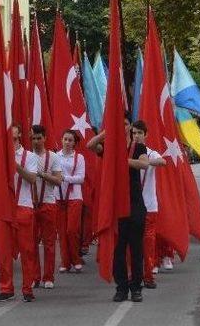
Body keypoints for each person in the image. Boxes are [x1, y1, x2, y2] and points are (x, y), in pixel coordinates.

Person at [87, 116, 149, 303]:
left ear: (130, 126)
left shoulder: (138, 146)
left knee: (136, 249)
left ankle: (136, 288)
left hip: (136, 204)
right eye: (118, 124)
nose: (121, 127)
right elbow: (90, 145)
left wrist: (122, 161)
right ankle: (121, 288)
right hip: (117, 207)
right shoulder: (110, 147)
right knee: (119, 250)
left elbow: (144, 164)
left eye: (124, 124)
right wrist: (106, 132)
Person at [0, 124, 39, 302]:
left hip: (23, 206)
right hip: (4, 208)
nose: (11, 140)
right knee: (3, 251)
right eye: (8, 138)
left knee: (27, 251)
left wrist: (15, 164)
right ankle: (6, 288)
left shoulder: (30, 156)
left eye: (13, 137)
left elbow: (32, 178)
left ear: (20, 135)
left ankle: (28, 288)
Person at [131, 121, 166, 289]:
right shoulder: (128, 152)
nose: (136, 136)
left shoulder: (151, 153)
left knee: (148, 243)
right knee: (132, 243)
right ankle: (134, 276)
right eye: (133, 133)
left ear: (146, 135)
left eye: (139, 133)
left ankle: (149, 276)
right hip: (133, 206)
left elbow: (162, 162)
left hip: (149, 206)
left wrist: (144, 162)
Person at [31, 125, 63, 289]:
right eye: (33, 138)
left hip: (48, 203)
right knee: (31, 242)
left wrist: (42, 174)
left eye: (39, 138)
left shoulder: (53, 157)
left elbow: (58, 180)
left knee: (49, 242)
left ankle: (48, 277)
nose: (36, 141)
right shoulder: (27, 156)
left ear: (44, 138)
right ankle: (35, 276)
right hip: (30, 204)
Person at [55, 130, 86, 274]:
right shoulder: (55, 156)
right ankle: (65, 262)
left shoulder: (79, 158)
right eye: (65, 139)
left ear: (74, 143)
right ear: (61, 140)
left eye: (70, 140)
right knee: (62, 231)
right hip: (58, 197)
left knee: (72, 230)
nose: (67, 142)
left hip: (74, 197)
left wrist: (65, 178)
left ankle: (76, 259)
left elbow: (80, 178)